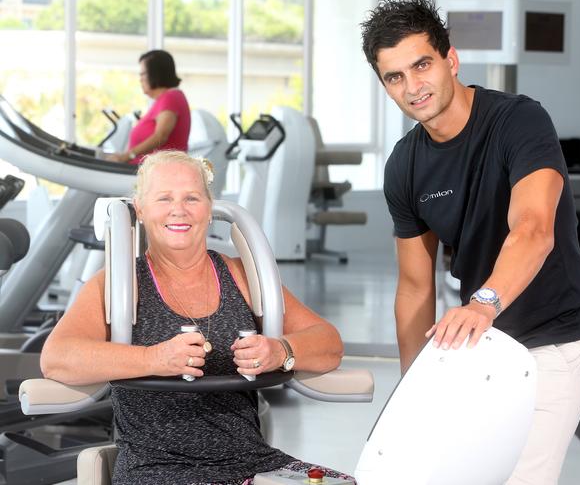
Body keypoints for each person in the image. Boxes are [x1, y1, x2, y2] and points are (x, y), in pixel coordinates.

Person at [360, 0, 580, 484]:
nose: (413, 87)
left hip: (554, 336)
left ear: (451, 59)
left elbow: (533, 229)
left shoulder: (519, 120)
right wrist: (414, 388)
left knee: (521, 478)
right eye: (395, 77)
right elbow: (414, 288)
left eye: (421, 65)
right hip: (480, 344)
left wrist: (484, 302)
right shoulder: (404, 166)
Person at [40, 150, 356, 485]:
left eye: (192, 197)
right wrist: (154, 358)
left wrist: (281, 351)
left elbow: (328, 343)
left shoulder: (242, 276)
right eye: (164, 198)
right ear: (141, 209)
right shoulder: (117, 283)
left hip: (252, 461)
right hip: (156, 468)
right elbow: (57, 359)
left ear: (209, 208)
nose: (179, 209)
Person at [108, 50, 191, 164]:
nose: (140, 79)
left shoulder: (171, 98)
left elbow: (161, 136)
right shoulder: (163, 99)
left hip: (160, 173)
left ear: (155, 74)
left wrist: (127, 156)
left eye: (142, 74)